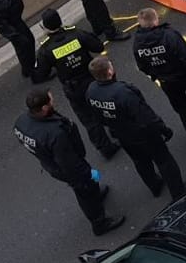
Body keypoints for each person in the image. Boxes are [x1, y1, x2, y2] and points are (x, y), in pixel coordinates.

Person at [13, 88, 125, 236]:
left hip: (52, 164)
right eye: (50, 99)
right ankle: (99, 222)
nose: (54, 100)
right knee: (84, 189)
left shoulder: (21, 122)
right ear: (45, 108)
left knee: (90, 184)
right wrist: (86, 173)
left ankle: (95, 193)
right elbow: (69, 163)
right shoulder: (54, 134)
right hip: (71, 167)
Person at [87, 56, 186, 201]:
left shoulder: (91, 91)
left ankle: (155, 186)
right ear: (109, 72)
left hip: (123, 135)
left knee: (141, 162)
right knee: (164, 161)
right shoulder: (123, 92)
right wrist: (163, 129)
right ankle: (178, 192)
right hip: (144, 135)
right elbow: (145, 116)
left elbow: (97, 116)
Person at [33, 9, 121, 159]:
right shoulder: (76, 34)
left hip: (74, 88)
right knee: (107, 104)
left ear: (45, 28)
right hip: (93, 79)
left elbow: (40, 74)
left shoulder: (45, 49)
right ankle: (117, 130)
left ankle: (106, 148)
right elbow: (98, 46)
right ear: (60, 21)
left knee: (89, 119)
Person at [132, 8, 186, 143]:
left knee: (182, 109)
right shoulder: (169, 35)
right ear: (155, 20)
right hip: (185, 75)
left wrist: (156, 75)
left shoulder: (138, 44)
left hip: (167, 81)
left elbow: (143, 66)